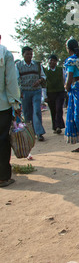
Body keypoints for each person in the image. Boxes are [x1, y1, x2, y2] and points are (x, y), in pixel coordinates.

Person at [0, 38, 21, 188]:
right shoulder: (5, 54)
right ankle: (3, 177)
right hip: (2, 106)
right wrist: (15, 102)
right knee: (2, 140)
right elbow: (11, 81)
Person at [16, 46, 46, 141]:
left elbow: (43, 76)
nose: (29, 56)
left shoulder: (37, 65)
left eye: (31, 54)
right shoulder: (18, 65)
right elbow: (16, 80)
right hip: (24, 91)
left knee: (37, 110)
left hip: (36, 91)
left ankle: (39, 132)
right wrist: (18, 92)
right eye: (27, 54)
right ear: (23, 54)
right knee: (27, 113)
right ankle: (30, 132)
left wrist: (39, 80)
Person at [44, 55, 65, 134]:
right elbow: (44, 84)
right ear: (48, 61)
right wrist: (45, 96)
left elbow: (64, 79)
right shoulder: (45, 71)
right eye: (50, 60)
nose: (52, 62)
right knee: (53, 110)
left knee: (59, 108)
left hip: (60, 91)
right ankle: (55, 127)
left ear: (56, 62)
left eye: (54, 60)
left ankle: (59, 126)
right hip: (50, 93)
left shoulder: (60, 69)